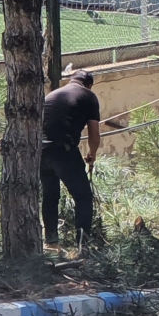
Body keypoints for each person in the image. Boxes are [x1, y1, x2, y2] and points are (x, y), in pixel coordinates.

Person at [43, 67, 103, 251]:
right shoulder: (89, 96)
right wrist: (92, 154)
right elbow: (94, 134)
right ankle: (82, 245)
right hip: (64, 151)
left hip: (41, 151)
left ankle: (51, 242)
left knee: (50, 196)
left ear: (71, 80)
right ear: (89, 85)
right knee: (83, 196)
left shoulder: (53, 94)